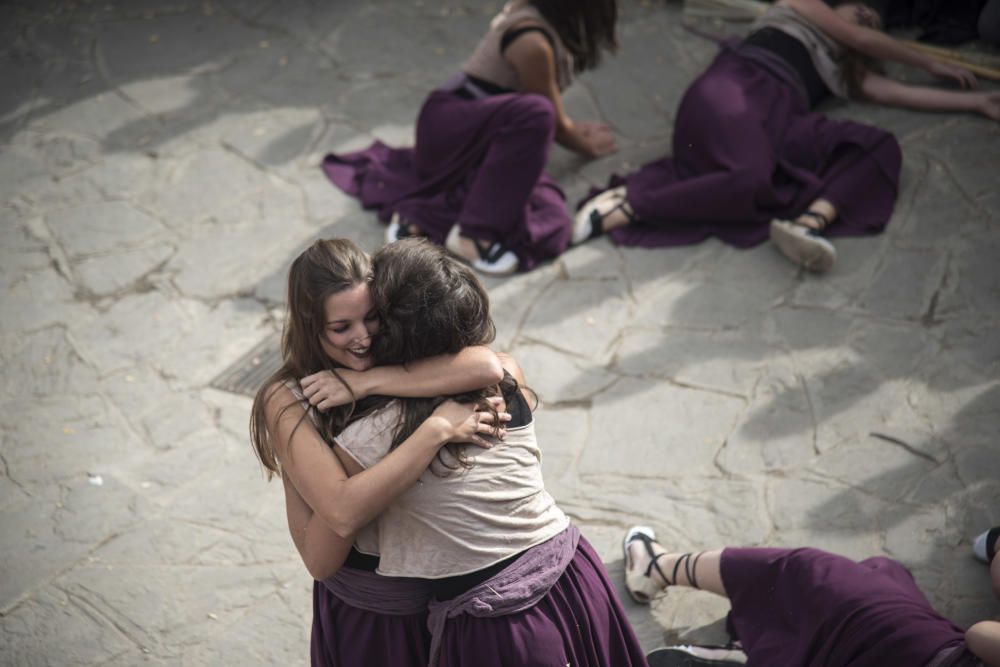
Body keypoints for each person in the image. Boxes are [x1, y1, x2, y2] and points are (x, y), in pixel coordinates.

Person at [302, 239, 648, 666]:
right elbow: (487, 363)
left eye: (373, 319)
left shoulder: (374, 433)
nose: (363, 335)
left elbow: (320, 557)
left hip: (500, 627)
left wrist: (290, 435)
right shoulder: (506, 378)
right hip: (575, 575)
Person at [574, 0, 1000, 272]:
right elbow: (857, 35)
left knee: (874, 145)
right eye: (862, 8)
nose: (869, 15)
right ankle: (631, 205)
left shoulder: (847, 70)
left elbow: (902, 94)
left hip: (780, 118)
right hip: (737, 87)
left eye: (876, 19)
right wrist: (929, 62)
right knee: (750, 179)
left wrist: (977, 104)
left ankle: (806, 225)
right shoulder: (795, 8)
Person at [248, 238, 511, 666]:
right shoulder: (288, 399)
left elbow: (492, 366)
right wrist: (436, 430)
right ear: (309, 326)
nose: (363, 337)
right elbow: (321, 556)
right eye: (341, 328)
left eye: (372, 318)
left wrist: (371, 381)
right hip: (374, 616)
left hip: (438, 600)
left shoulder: (396, 359)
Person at [322, 0, 619, 275]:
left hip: (472, 130)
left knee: (551, 216)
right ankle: (474, 234)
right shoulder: (532, 43)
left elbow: (551, 114)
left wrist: (570, 127)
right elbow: (550, 119)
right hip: (448, 129)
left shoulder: (539, 19)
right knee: (537, 117)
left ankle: (422, 218)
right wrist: (583, 143)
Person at [623, 525, 1000, 667]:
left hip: (922, 653)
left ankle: (657, 565)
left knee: (813, 574)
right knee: (879, 580)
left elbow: (981, 635)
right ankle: (753, 654)